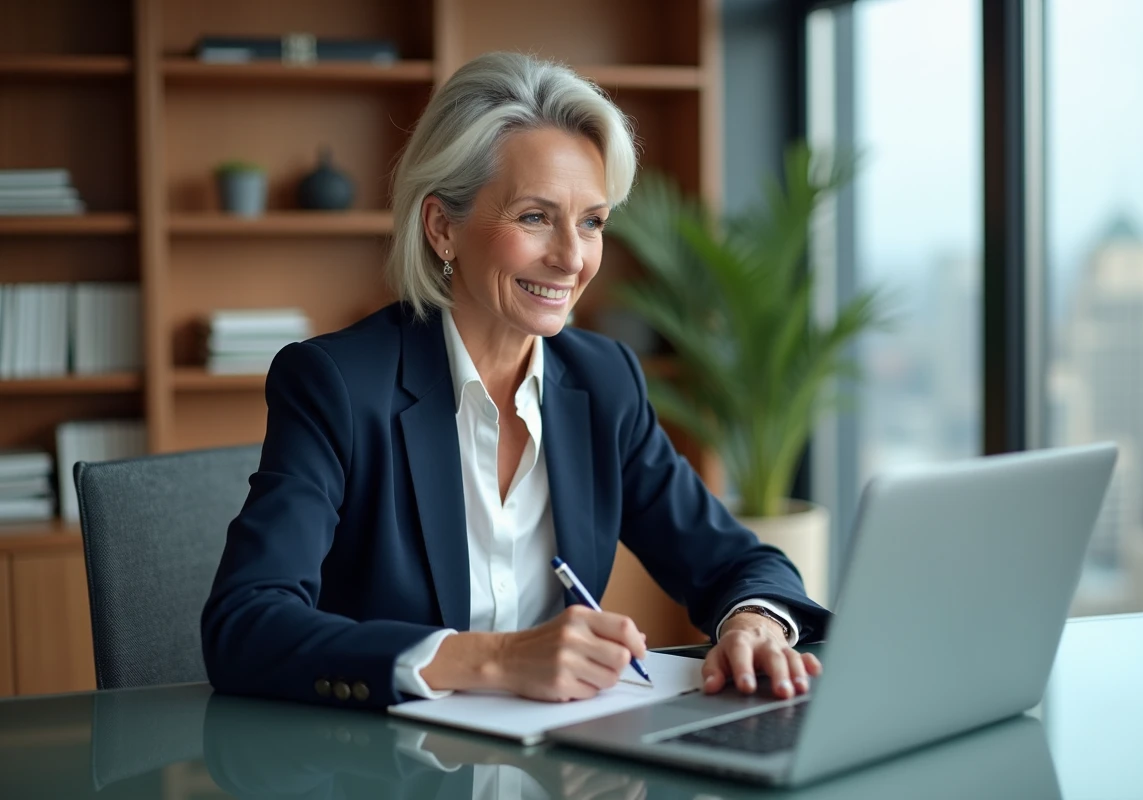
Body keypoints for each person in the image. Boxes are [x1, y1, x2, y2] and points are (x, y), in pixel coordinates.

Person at [201, 52, 829, 712]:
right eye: (535, 217)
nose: (572, 257)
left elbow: (738, 563)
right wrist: (495, 658)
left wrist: (752, 625)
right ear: (443, 228)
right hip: (384, 766)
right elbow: (245, 625)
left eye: (592, 221)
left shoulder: (604, 382)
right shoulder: (336, 384)